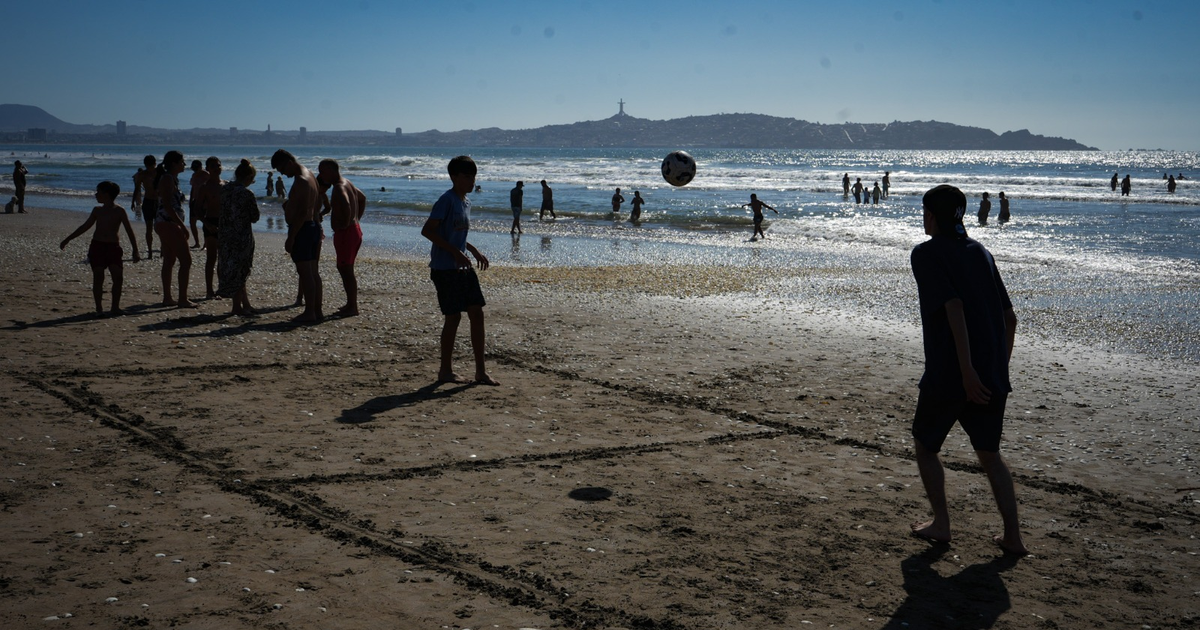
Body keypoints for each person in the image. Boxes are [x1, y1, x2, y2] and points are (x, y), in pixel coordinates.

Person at [908, 184, 1027, 557]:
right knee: (990, 454)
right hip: (990, 376)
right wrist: (995, 371)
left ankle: (941, 524)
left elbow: (953, 306)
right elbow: (1010, 319)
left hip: (950, 373)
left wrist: (967, 373)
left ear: (936, 215)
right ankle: (1013, 537)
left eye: (926, 210)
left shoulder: (925, 255)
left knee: (926, 447)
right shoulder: (982, 252)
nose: (923, 217)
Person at [421, 155, 498, 386]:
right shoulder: (447, 200)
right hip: (445, 269)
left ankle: (480, 372)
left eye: (473, 176)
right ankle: (445, 371)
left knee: (477, 313)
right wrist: (455, 253)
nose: (471, 181)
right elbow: (428, 231)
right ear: (453, 177)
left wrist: (473, 250)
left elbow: (458, 234)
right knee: (453, 318)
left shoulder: (466, 202)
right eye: (466, 176)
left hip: (463, 266)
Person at [59, 181, 140, 315]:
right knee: (98, 277)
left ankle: (115, 307)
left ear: (107, 194)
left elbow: (129, 231)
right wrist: (68, 239)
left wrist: (135, 250)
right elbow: (85, 227)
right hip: (98, 246)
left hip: (113, 247)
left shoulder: (119, 211)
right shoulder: (97, 210)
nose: (96, 194)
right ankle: (99, 308)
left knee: (118, 277)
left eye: (98, 192)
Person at [273, 149, 323, 322]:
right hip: (313, 226)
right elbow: (318, 201)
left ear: (289, 163)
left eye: (282, 170)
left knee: (305, 273)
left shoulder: (301, 181)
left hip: (303, 229)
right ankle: (317, 310)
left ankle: (310, 312)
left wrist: (291, 237)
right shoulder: (310, 175)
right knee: (313, 272)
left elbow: (302, 213)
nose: (282, 174)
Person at [318, 159, 366, 317]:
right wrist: (356, 218)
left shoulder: (339, 187)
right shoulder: (347, 182)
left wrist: (345, 223)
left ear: (332, 171)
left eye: (323, 171)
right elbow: (362, 198)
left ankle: (353, 306)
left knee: (346, 269)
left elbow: (345, 203)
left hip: (347, 233)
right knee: (344, 267)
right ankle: (350, 304)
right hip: (354, 230)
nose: (321, 175)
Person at [216, 159, 261, 316]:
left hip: (224, 234)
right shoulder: (246, 193)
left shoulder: (225, 189)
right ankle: (237, 306)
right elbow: (255, 217)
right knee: (241, 270)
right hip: (241, 235)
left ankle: (245, 303)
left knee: (232, 267)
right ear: (248, 177)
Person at [154, 151, 197, 307]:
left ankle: (168, 298)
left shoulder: (173, 179)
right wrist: (181, 225)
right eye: (182, 162)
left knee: (170, 259)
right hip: (168, 222)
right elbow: (166, 204)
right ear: (174, 163)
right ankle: (183, 299)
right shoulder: (167, 179)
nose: (184, 165)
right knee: (186, 260)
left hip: (166, 222)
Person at [192, 157, 224, 298]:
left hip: (224, 224)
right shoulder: (204, 187)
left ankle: (222, 288)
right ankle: (209, 290)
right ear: (208, 169)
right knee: (211, 258)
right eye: (213, 166)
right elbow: (197, 209)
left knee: (223, 259)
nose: (217, 168)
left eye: (218, 165)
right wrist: (206, 223)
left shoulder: (226, 185)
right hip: (210, 222)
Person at [134, 155, 159, 259]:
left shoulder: (159, 172)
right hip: (150, 201)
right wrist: (133, 202)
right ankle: (150, 251)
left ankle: (156, 250)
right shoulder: (142, 174)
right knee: (150, 228)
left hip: (156, 201)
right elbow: (137, 189)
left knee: (158, 227)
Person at [187, 159, 208, 248]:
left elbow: (209, 188)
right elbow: (193, 188)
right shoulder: (194, 175)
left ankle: (206, 243)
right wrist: (191, 199)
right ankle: (197, 242)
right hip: (195, 200)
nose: (195, 170)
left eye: (196, 168)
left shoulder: (206, 175)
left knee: (205, 222)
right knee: (192, 222)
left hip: (204, 200)